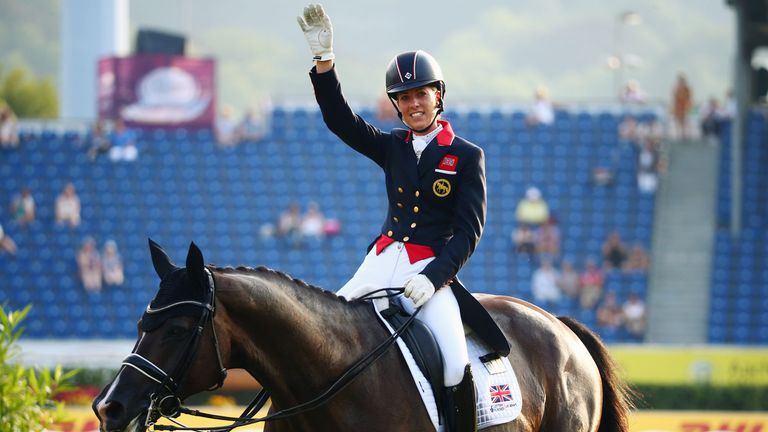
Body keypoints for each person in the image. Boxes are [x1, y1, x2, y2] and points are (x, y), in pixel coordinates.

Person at [298, 5, 507, 429]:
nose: (413, 104)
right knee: (319, 340)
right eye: (404, 97)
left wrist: (433, 279)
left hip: (429, 272)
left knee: (453, 362)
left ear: (438, 95)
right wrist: (324, 63)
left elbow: (469, 233)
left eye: (420, 94)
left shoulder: (466, 156)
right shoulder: (391, 146)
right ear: (396, 104)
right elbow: (341, 121)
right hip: (380, 262)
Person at [671, 73, 693, 140]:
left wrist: (688, 107)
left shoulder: (687, 88)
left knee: (685, 122)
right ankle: (679, 135)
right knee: (678, 122)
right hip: (678, 108)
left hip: (684, 108)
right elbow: (674, 98)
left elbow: (689, 98)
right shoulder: (676, 88)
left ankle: (685, 135)